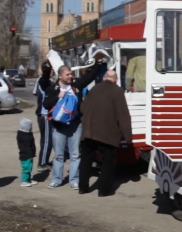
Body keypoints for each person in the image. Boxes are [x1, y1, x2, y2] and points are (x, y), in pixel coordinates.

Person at [42, 62, 101, 189]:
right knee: (58, 155)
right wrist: (58, 96)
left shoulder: (76, 85)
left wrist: (98, 63)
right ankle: (56, 179)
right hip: (58, 127)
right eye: (67, 74)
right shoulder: (52, 89)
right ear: (60, 76)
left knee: (75, 154)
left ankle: (74, 180)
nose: (70, 76)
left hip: (75, 125)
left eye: (71, 74)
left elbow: (89, 77)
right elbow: (46, 105)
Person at [79, 69, 133, 197]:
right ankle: (103, 190)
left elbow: (82, 108)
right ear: (116, 80)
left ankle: (83, 187)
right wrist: (128, 137)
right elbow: (123, 116)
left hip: (88, 132)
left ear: (104, 78)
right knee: (108, 162)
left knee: (86, 161)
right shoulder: (117, 91)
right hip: (107, 134)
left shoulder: (94, 89)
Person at [33, 61, 54, 170]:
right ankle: (42, 163)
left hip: (46, 114)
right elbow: (44, 80)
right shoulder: (42, 80)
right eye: (52, 70)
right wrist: (47, 68)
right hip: (44, 114)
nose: (53, 72)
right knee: (46, 139)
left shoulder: (46, 81)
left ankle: (44, 160)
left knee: (48, 139)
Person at [17, 117, 37, 187]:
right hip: (26, 156)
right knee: (26, 168)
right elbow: (26, 147)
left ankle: (28, 179)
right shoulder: (25, 136)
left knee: (29, 167)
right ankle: (24, 181)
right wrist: (30, 155)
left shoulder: (27, 134)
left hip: (29, 155)